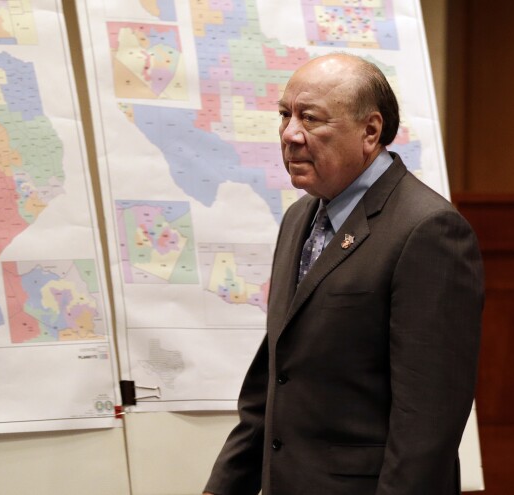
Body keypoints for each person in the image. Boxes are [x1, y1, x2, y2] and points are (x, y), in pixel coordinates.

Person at [202, 53, 484, 494]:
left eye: (310, 119)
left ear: (370, 131)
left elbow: (427, 427)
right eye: (284, 115)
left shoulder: (429, 230)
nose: (290, 134)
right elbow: (272, 384)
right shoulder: (300, 218)